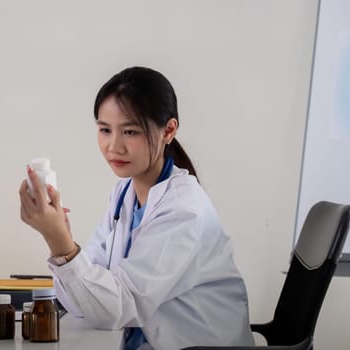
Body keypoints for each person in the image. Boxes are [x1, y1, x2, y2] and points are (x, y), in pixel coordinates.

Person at [19, 66, 254, 350]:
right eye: (105, 130)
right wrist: (62, 242)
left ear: (168, 130)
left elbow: (114, 308)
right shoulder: (124, 193)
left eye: (130, 131)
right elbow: (85, 302)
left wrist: (60, 243)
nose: (113, 147)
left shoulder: (184, 209)